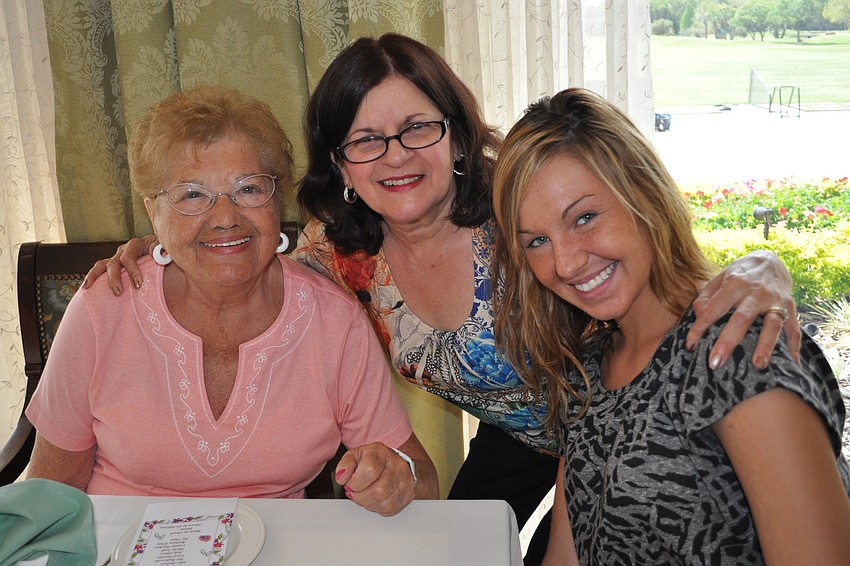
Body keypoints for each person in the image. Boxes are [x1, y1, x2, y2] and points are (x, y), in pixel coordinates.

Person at [85, 35, 800, 564]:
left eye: (417, 128)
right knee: (450, 553)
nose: (395, 156)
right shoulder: (339, 255)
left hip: (624, 431)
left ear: (455, 136)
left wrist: (767, 265)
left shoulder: (515, 212)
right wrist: (152, 253)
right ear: (340, 165)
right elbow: (237, 246)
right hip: (521, 436)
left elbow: (635, 240)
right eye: (365, 140)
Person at [26, 86, 438, 517]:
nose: (225, 217)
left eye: (249, 190)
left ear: (277, 203)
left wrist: (395, 477)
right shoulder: (102, 308)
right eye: (191, 194)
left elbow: (422, 478)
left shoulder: (334, 322)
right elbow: (50, 489)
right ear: (154, 215)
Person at [491, 87, 850, 565]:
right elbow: (568, 554)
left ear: (642, 190)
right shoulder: (591, 371)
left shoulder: (736, 349)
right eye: (536, 240)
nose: (565, 262)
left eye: (584, 217)